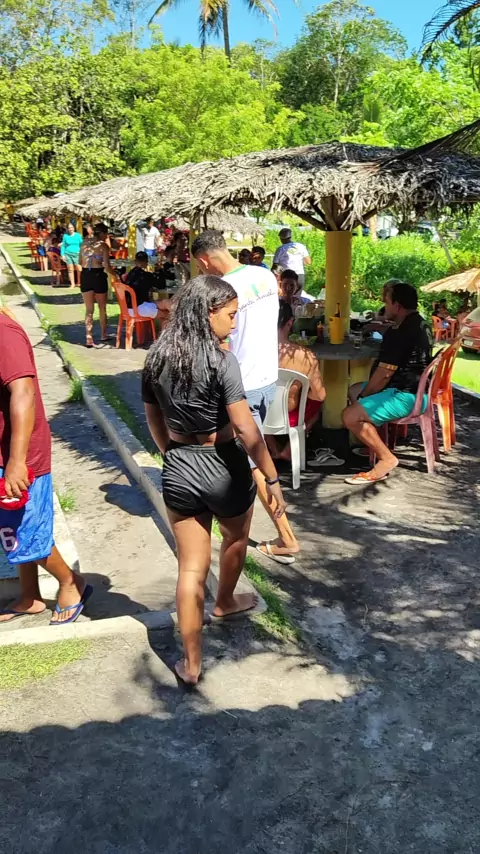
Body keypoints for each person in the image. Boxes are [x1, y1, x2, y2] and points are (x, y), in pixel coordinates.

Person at [142, 275, 286, 685]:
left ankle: (190, 664)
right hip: (224, 464)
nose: (234, 324)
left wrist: (171, 453)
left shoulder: (156, 357)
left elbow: (154, 418)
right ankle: (224, 602)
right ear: (208, 312)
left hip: (180, 466)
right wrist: (271, 477)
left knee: (190, 567)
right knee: (235, 537)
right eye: (231, 314)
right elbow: (246, 428)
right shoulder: (223, 361)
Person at [192, 229, 300, 565]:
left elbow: (220, 340)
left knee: (254, 461)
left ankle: (287, 538)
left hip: (241, 384)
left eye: (200, 266)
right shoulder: (264, 275)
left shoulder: (221, 290)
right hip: (267, 378)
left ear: (204, 260)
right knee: (242, 452)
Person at [0, 311, 92, 624]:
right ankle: (30, 596)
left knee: (24, 531)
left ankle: (70, 582)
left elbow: (23, 393)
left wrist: (16, 462)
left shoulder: (4, 333)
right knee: (16, 525)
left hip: (19, 456)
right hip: (6, 454)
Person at [343, 281, 433, 485]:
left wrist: (365, 397)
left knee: (349, 415)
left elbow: (384, 374)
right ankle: (374, 443)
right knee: (353, 390)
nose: (385, 305)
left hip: (405, 396)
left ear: (397, 306)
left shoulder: (400, 333)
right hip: (418, 392)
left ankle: (386, 459)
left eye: (387, 302)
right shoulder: (419, 323)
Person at [265, 301, 325, 461]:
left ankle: (272, 447)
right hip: (289, 415)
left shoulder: (249, 353)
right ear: (290, 322)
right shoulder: (305, 355)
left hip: (257, 412)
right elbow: (320, 395)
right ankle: (289, 449)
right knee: (316, 405)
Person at [79, 222, 115, 347]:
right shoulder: (103, 246)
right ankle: (103, 334)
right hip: (98, 276)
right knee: (102, 308)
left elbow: (80, 261)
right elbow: (107, 265)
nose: (107, 237)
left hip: (85, 275)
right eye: (106, 234)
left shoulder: (83, 244)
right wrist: (115, 275)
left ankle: (88, 336)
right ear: (102, 233)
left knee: (89, 309)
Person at [124, 251, 171, 324]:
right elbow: (161, 285)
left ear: (135, 261)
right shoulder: (146, 276)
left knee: (165, 303)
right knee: (167, 314)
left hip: (127, 308)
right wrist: (159, 270)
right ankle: (180, 319)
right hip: (140, 308)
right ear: (146, 262)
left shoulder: (130, 274)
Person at [60, 222, 83, 289]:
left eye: (72, 227)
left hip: (77, 254)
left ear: (74, 228)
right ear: (67, 229)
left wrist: (81, 252)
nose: (70, 229)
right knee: (70, 269)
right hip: (68, 254)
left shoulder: (78, 235)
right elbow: (63, 246)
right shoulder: (65, 236)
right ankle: (72, 284)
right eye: (69, 228)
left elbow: (82, 244)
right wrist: (62, 255)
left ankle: (79, 282)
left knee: (79, 269)